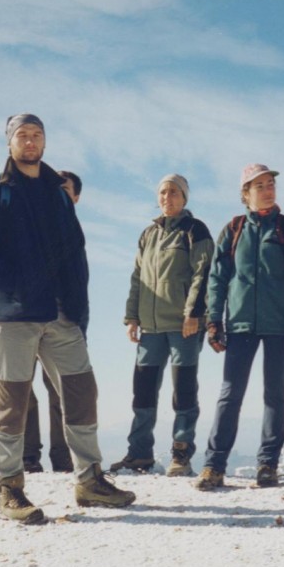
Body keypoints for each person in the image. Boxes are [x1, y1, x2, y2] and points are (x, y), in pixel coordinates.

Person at [0, 113, 134, 525]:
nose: (31, 141)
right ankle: (10, 487)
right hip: (17, 316)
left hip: (62, 314)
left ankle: (89, 479)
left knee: (81, 394)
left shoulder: (57, 192)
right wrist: (14, 289)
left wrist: (78, 307)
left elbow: (75, 252)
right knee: (12, 403)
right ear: (9, 143)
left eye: (37, 135)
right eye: (23, 135)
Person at [194, 164, 284, 490]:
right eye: (259, 185)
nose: (267, 189)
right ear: (245, 194)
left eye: (271, 183)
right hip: (240, 324)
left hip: (280, 326)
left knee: (275, 394)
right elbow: (216, 279)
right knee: (230, 394)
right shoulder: (233, 230)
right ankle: (214, 466)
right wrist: (213, 322)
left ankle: (267, 466)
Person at [111, 174, 214, 476]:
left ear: (184, 197)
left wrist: (193, 313)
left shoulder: (195, 230)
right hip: (151, 328)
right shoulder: (148, 234)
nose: (167, 197)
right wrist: (132, 317)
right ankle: (139, 454)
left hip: (184, 325)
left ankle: (181, 454)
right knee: (143, 392)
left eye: (173, 192)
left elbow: (203, 273)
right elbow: (137, 278)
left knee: (183, 391)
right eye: (162, 192)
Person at [22, 170, 84, 474]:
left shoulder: (74, 230)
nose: (57, 193)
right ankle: (28, 456)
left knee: (62, 388)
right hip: (26, 316)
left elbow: (79, 281)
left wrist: (79, 320)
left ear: (76, 197)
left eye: (65, 189)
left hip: (64, 319)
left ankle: (64, 456)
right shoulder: (33, 224)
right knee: (22, 388)